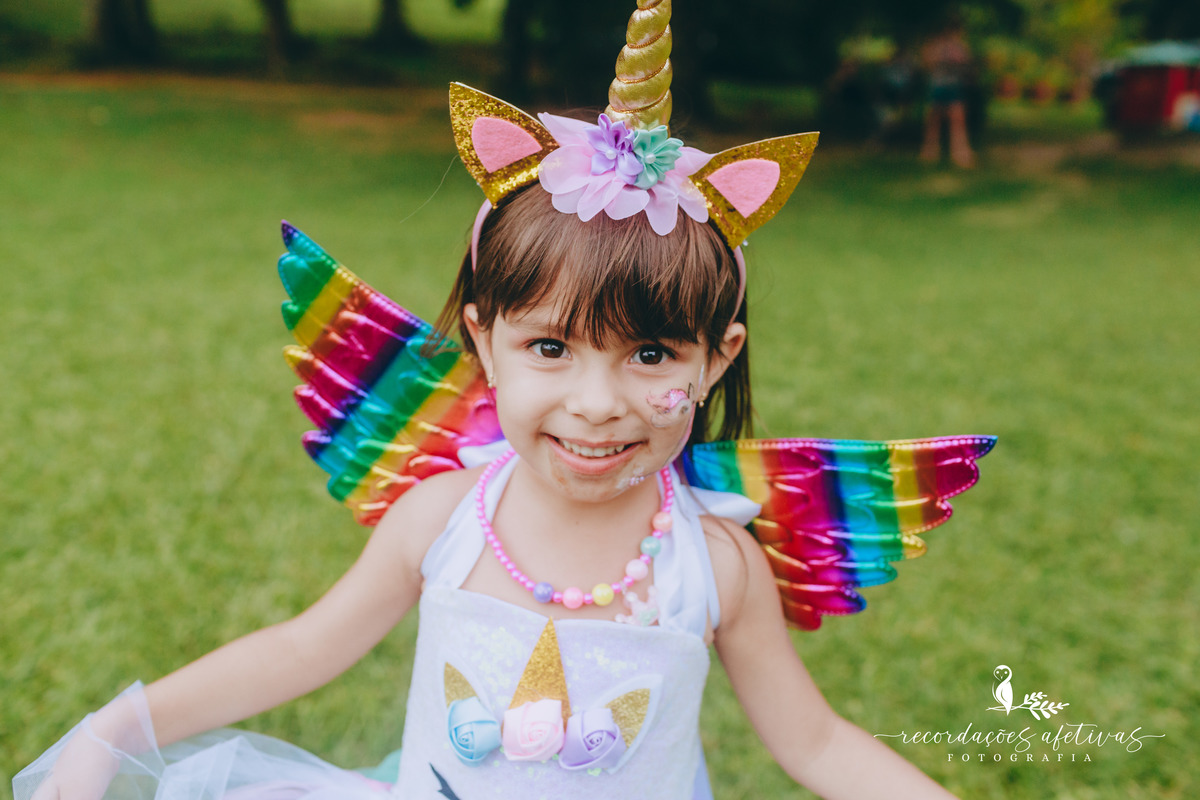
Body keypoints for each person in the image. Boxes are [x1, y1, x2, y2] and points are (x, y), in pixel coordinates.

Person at [16, 4, 982, 799]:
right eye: (550, 348)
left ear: (718, 357)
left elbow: (813, 744)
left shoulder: (713, 566)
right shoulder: (445, 519)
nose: (598, 404)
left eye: (651, 353)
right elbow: (305, 647)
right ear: (484, 336)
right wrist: (118, 728)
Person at [919, 15, 976, 168]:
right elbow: (927, 63)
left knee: (957, 121)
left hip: (953, 86)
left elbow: (967, 64)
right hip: (938, 86)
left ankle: (960, 154)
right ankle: (930, 153)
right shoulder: (934, 46)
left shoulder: (960, 46)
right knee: (934, 122)